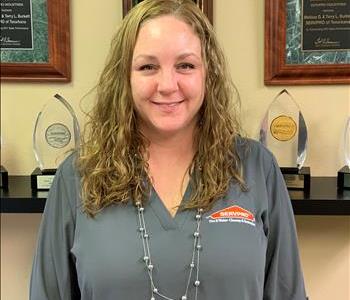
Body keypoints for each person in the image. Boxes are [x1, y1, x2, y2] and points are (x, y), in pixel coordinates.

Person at [30, 0, 307, 299]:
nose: (167, 85)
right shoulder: (77, 177)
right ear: (124, 77)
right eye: (148, 66)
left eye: (185, 65)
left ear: (207, 74)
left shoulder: (256, 167)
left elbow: (286, 291)